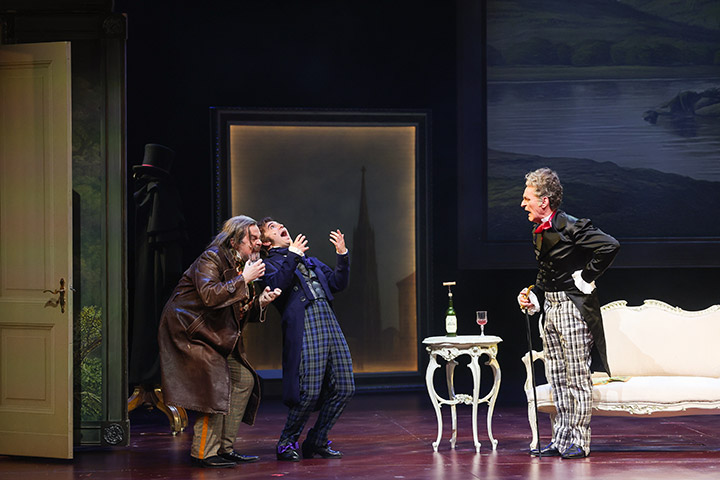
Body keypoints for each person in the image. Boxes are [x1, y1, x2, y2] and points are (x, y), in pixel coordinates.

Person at [158, 215, 282, 468]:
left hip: (214, 334)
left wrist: (260, 303)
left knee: (243, 379)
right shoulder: (212, 258)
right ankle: (204, 452)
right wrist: (244, 279)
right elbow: (209, 295)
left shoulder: (243, 265)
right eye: (253, 238)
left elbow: (236, 311)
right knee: (214, 385)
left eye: (259, 238)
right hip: (191, 331)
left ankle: (225, 448)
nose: (258, 243)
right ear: (234, 241)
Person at [517, 168, 619, 459]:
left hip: (572, 308)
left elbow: (610, 246)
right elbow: (547, 271)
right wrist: (534, 294)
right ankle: (561, 439)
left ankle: (579, 441)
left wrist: (586, 276)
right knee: (557, 377)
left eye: (527, 199)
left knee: (576, 377)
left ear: (544, 201)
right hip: (550, 307)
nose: (523, 204)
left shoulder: (571, 226)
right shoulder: (539, 230)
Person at [258, 218, 355, 461]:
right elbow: (276, 285)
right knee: (308, 392)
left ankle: (317, 440)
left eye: (280, 224)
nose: (281, 226)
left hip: (328, 320)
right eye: (272, 227)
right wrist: (292, 255)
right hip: (306, 323)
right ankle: (286, 441)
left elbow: (337, 283)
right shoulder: (268, 265)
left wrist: (342, 254)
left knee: (345, 387)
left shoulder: (309, 261)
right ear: (267, 243)